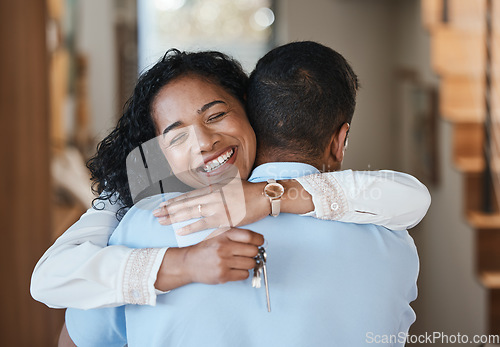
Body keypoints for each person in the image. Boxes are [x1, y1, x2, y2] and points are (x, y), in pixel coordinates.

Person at [61, 42, 423, 346]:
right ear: (339, 141)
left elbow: (75, 339)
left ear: (248, 111)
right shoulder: (393, 239)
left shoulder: (142, 226)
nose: (203, 143)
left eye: (214, 115)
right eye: (176, 135)